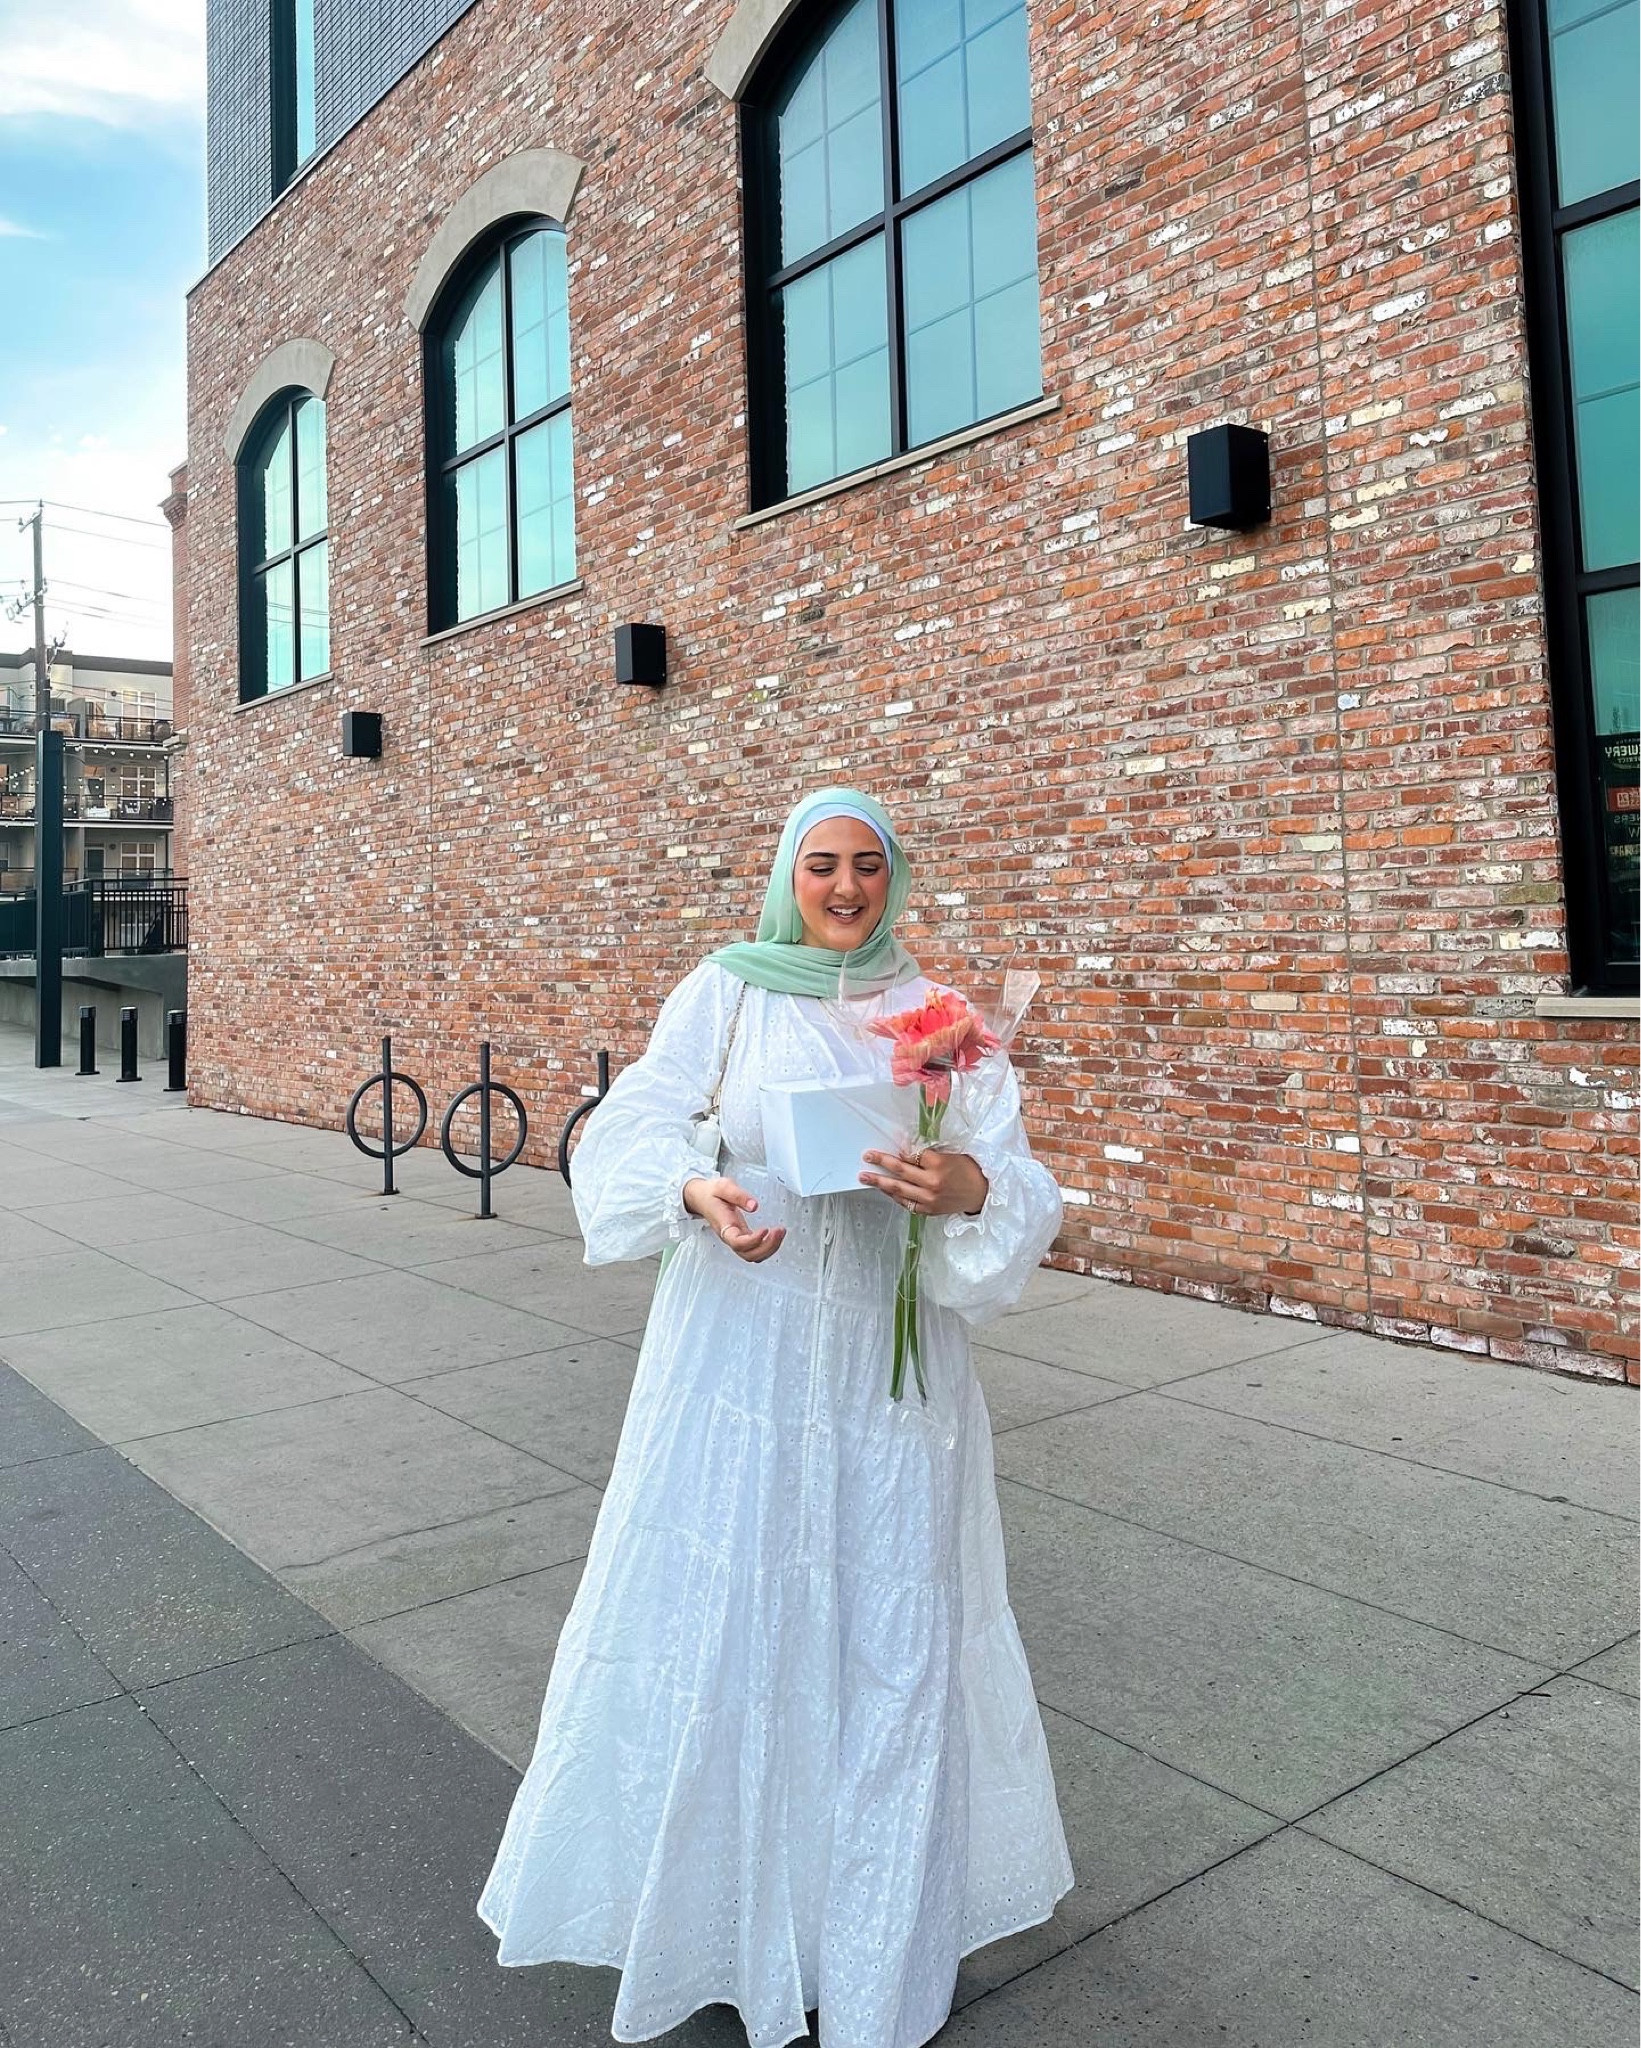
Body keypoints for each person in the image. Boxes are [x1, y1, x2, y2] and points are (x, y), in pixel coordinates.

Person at [479, 788, 1073, 2048]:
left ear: (895, 878)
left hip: (886, 1383)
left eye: (867, 866)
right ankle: (721, 1919)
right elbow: (637, 1120)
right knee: (736, 1623)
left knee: (887, 1643)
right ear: (785, 875)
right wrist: (695, 1189)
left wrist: (964, 1184)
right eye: (822, 865)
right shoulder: (728, 991)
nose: (846, 888)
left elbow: (1011, 1175)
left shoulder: (939, 1016)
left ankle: (867, 1942)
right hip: (735, 1371)